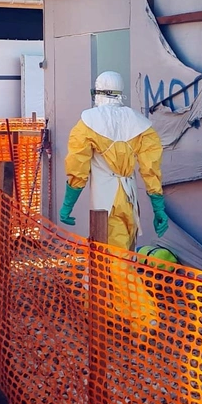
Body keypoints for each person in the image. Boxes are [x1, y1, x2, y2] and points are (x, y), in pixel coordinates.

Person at [58, 71, 169, 325]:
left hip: (104, 202)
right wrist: (158, 208)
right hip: (129, 200)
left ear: (96, 92)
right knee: (117, 254)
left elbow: (78, 168)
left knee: (117, 263)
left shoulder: (87, 123)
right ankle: (101, 308)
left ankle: (145, 317)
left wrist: (68, 205)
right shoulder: (140, 124)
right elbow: (151, 170)